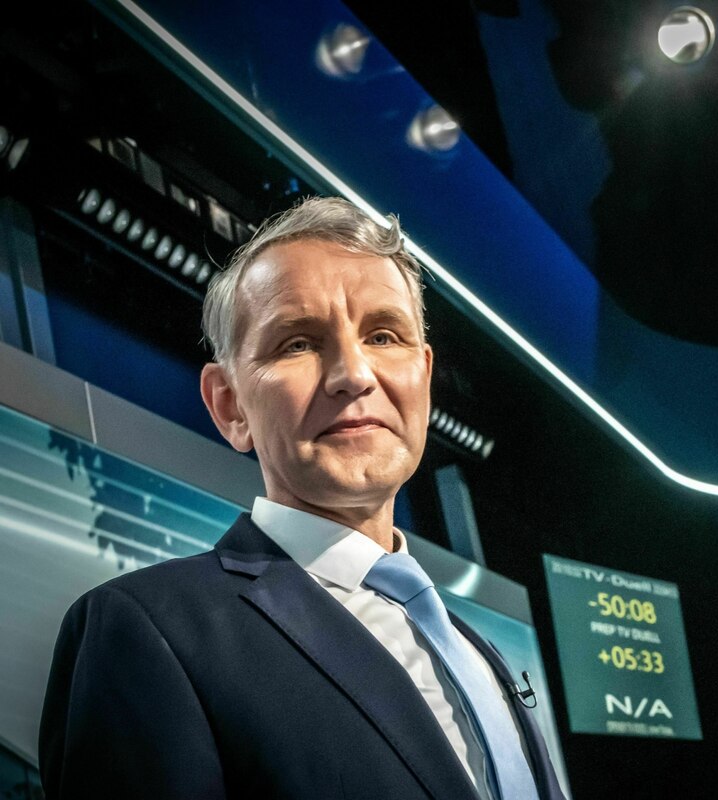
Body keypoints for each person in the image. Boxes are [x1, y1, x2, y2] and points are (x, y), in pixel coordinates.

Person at [38, 196, 565, 799]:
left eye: (383, 335)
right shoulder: (146, 630)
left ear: (423, 377)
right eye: (297, 343)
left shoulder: (477, 651)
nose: (355, 374)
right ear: (230, 406)